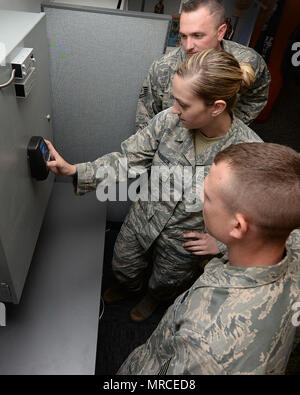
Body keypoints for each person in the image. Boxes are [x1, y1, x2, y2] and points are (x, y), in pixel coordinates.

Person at [45, 49, 263, 322]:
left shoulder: (249, 152)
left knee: (166, 283)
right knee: (123, 266)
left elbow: (258, 217)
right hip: (143, 217)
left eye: (184, 105)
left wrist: (220, 244)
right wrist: (75, 171)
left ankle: (152, 299)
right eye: (175, 100)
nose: (174, 109)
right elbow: (127, 161)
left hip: (184, 239)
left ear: (216, 107)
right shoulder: (168, 122)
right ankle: (129, 288)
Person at [117, 142, 300, 375]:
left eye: (208, 196)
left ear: (238, 225)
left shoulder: (205, 346)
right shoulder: (287, 237)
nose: (201, 200)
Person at [136, 0, 271, 131]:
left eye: (197, 35)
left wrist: (231, 129)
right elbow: (145, 121)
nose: (188, 46)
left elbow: (257, 96)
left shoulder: (248, 60)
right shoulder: (162, 68)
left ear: (220, 32)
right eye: (183, 36)